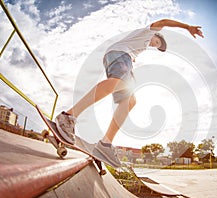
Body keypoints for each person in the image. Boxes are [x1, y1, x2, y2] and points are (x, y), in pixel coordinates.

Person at [55, 19, 204, 167]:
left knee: (130, 100)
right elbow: (164, 21)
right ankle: (68, 116)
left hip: (123, 58)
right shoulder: (148, 31)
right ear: (156, 34)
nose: (154, 45)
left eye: (157, 46)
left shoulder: (139, 46)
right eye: (156, 42)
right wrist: (187, 27)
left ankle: (105, 144)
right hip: (120, 55)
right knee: (118, 82)